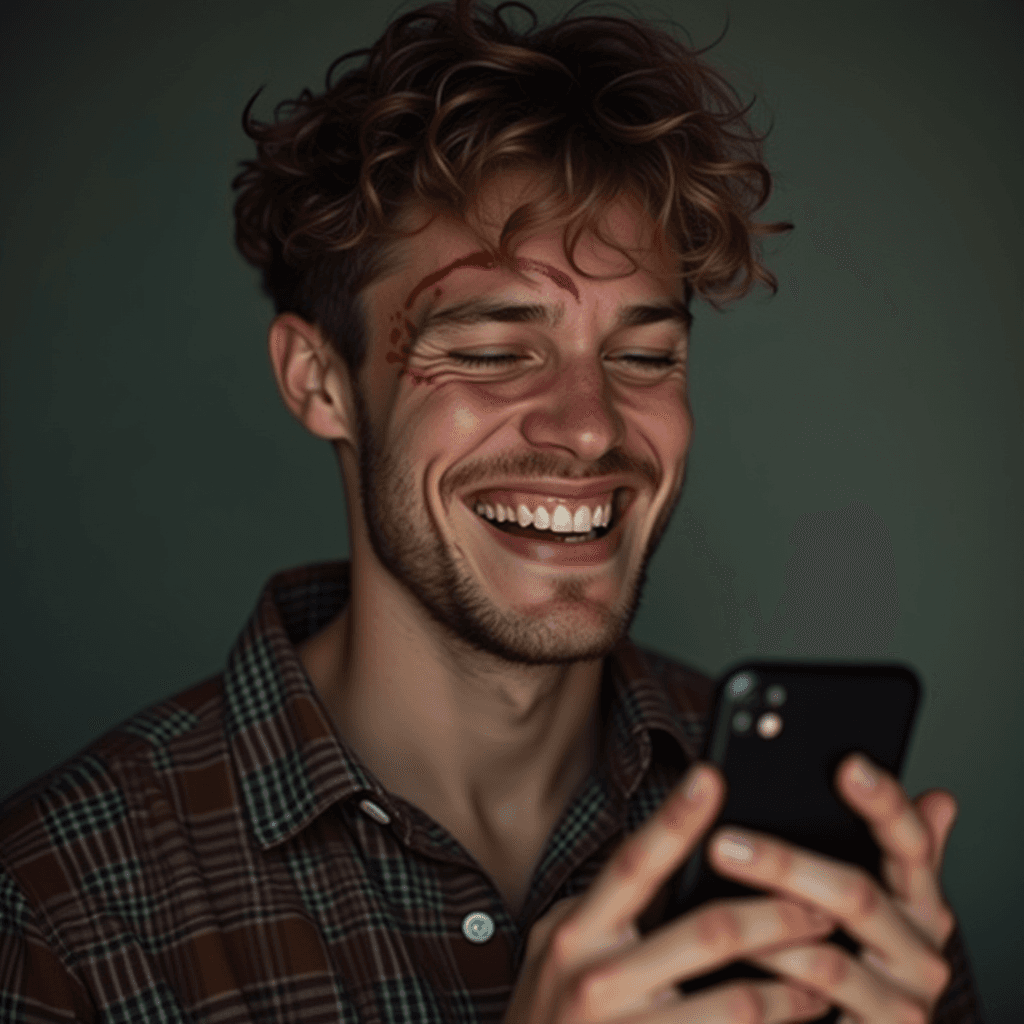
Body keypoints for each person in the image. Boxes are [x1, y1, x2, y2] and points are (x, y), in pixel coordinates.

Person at [0, 2, 983, 1021]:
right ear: (318, 381)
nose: (590, 428)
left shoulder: (823, 874)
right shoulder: (58, 914)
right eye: (489, 351)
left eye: (643, 356)